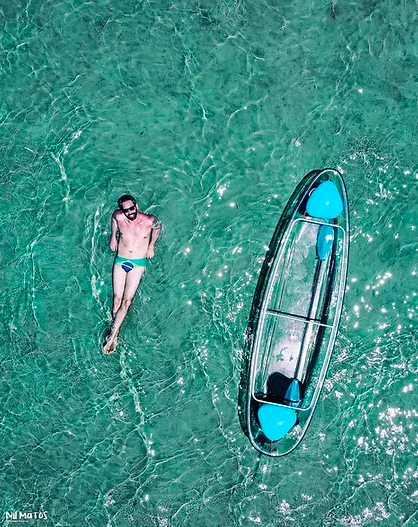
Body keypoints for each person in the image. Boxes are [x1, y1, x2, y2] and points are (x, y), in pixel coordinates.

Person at [103, 194, 162, 354]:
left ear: (136, 205)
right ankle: (115, 327)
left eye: (132, 208)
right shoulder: (119, 216)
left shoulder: (149, 220)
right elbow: (114, 219)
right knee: (116, 300)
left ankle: (113, 335)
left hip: (137, 263)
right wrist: (113, 237)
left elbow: (158, 227)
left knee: (126, 302)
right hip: (121, 260)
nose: (130, 212)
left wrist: (151, 246)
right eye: (126, 210)